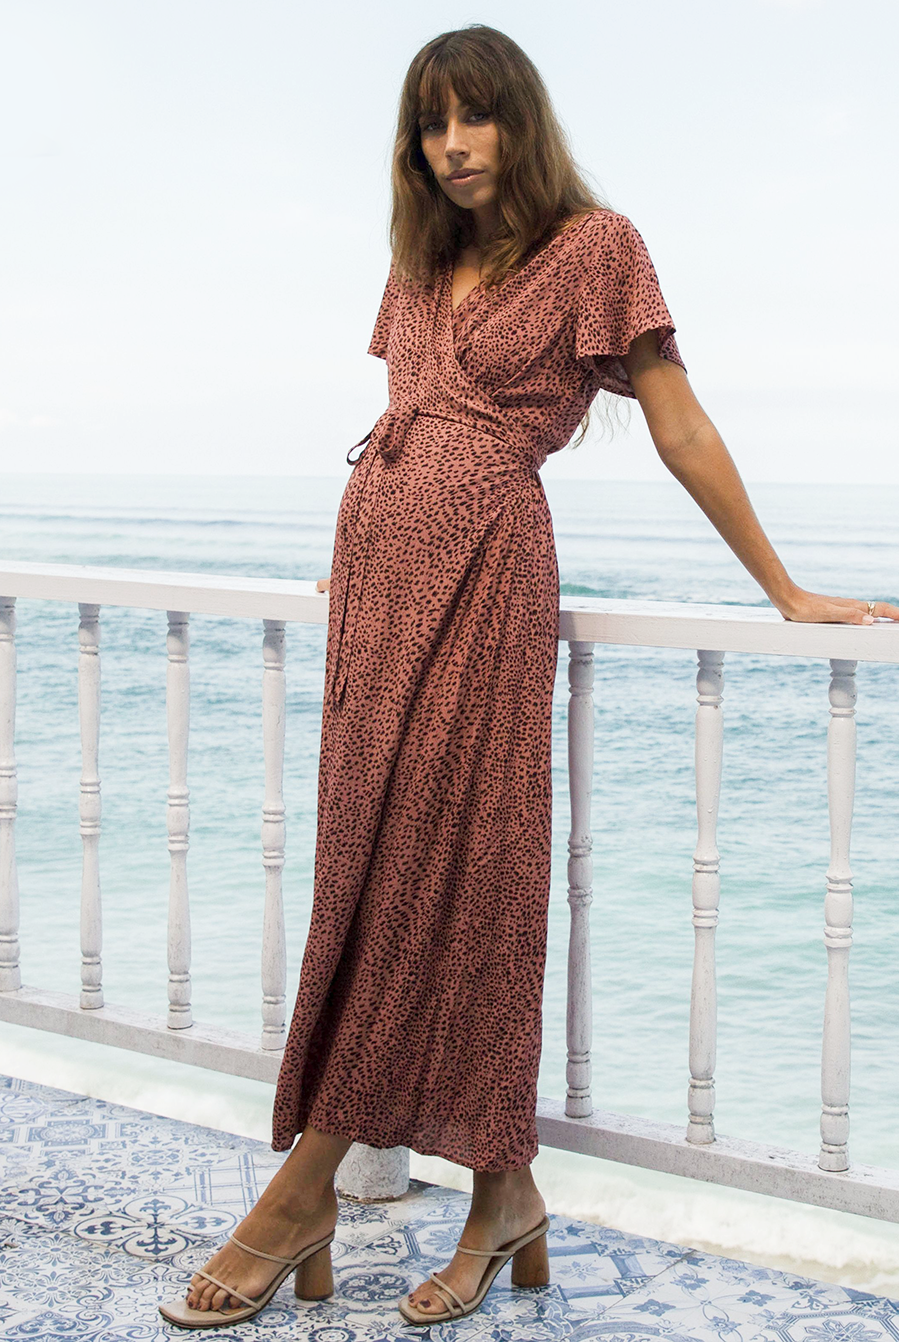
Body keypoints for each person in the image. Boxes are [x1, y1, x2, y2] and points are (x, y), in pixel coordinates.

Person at [159, 22, 899, 1332]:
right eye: (430, 121)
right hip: (379, 596)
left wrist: (779, 586)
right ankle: (503, 1193)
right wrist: (369, 554)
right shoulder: (419, 257)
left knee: (450, 874)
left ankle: (303, 1191)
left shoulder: (596, 248)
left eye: (475, 116)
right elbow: (405, 424)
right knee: (375, 873)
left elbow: (673, 417)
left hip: (487, 582)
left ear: (520, 122)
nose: (452, 144)